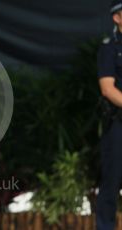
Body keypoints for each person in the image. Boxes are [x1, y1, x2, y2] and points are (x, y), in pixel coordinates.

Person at [96, 1, 122, 229]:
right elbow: (107, 88)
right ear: (117, 18)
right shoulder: (110, 48)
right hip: (118, 124)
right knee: (111, 184)